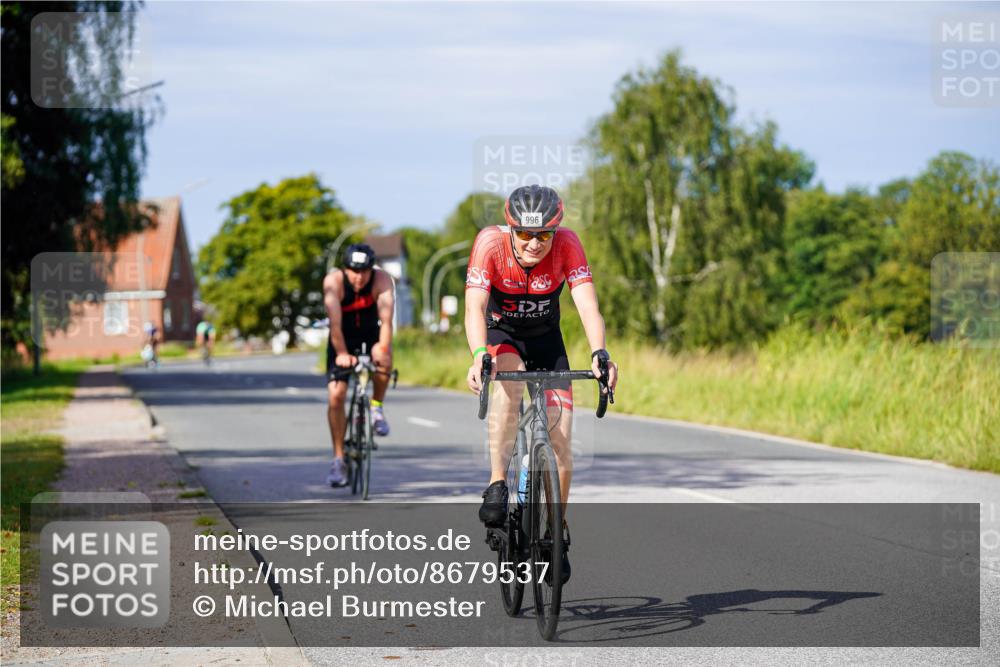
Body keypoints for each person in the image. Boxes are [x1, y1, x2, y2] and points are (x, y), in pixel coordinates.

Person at [465, 185, 619, 583]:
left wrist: (599, 353)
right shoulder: (490, 244)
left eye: (544, 235)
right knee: (508, 388)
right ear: (511, 229)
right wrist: (479, 352)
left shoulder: (568, 245)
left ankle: (555, 535)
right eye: (525, 235)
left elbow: (588, 305)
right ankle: (498, 483)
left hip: (547, 339)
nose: (535, 243)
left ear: (556, 232)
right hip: (502, 334)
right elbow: (475, 307)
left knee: (562, 439)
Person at [322, 243, 395, 487]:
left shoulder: (382, 280)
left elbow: (386, 323)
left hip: (370, 334)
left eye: (364, 270)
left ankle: (376, 407)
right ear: (345, 269)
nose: (359, 277)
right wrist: (342, 353)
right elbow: (334, 325)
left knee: (383, 357)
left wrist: (382, 351)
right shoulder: (334, 282)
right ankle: (338, 458)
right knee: (336, 395)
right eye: (354, 270)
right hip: (341, 338)